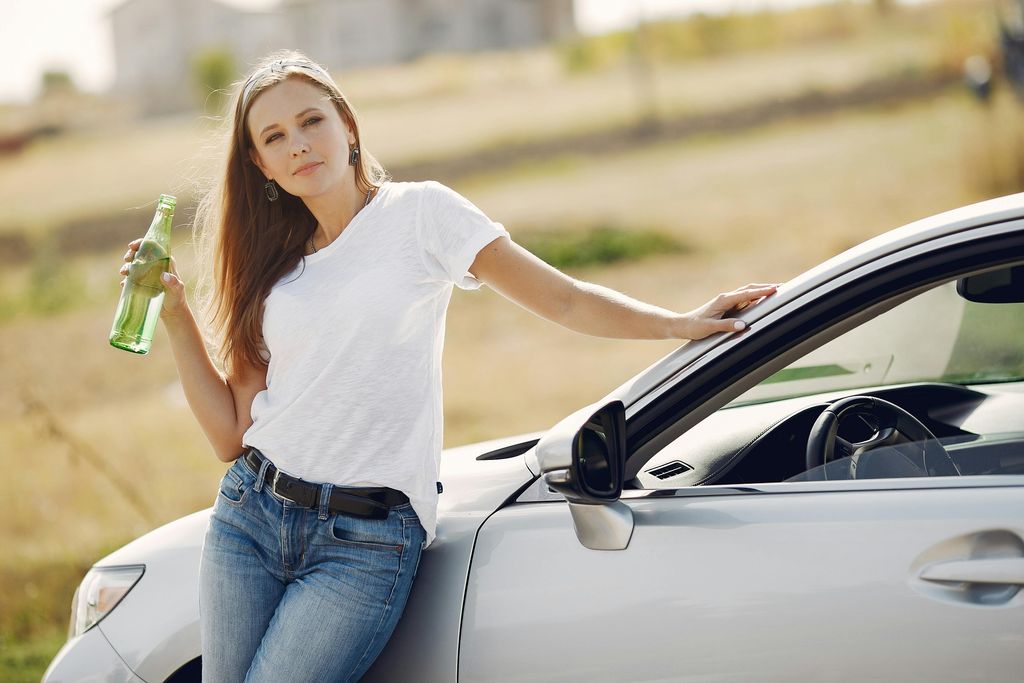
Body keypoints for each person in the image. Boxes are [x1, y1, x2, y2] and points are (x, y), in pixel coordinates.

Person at [118, 51, 776, 682]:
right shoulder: (272, 268)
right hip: (250, 514)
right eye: (275, 136)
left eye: (311, 120)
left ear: (347, 125)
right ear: (261, 165)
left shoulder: (421, 214)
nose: (298, 143)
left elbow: (564, 297)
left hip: (364, 540)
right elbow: (230, 434)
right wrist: (176, 317)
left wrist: (677, 321)